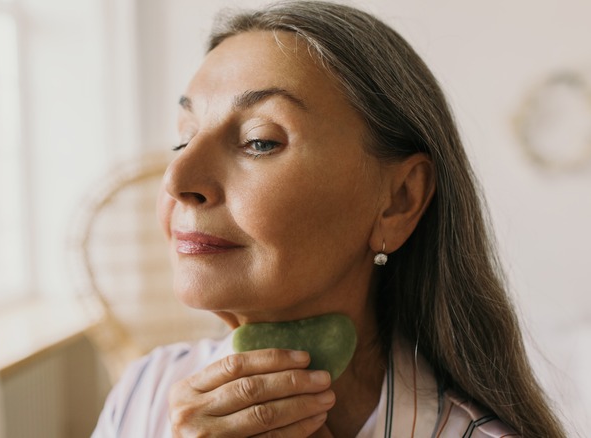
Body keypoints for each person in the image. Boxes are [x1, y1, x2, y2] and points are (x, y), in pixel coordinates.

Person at [92, 1, 566, 436]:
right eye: (184, 138)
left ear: (398, 201)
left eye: (260, 141)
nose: (176, 178)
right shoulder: (143, 391)